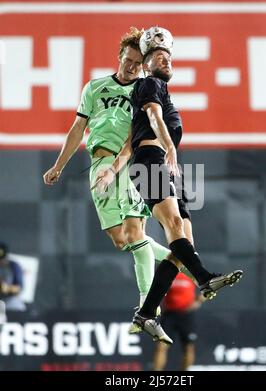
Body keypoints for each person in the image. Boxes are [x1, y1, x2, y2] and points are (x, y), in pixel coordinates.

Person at [96, 27, 243, 344]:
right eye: (157, 56)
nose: (164, 60)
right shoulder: (149, 85)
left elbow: (127, 143)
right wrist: (170, 147)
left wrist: (115, 169)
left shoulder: (160, 88)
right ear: (147, 65)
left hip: (163, 163)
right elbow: (152, 117)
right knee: (174, 226)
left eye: (167, 56)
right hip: (153, 159)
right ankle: (204, 278)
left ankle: (146, 313)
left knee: (182, 247)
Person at [43, 27, 177, 322]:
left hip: (128, 163)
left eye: (137, 63)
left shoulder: (144, 89)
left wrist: (122, 164)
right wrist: (59, 165)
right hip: (98, 163)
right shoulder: (95, 87)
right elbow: (78, 128)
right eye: (127, 60)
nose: (131, 67)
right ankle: (178, 258)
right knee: (121, 240)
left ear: (144, 65)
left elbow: (142, 130)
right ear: (119, 57)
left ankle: (149, 303)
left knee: (134, 233)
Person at [152, 272, 206, 371]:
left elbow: (210, 286)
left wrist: (199, 301)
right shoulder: (168, 271)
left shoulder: (192, 272)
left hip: (186, 314)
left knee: (188, 347)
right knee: (161, 346)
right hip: (169, 315)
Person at [0, 242, 26, 311]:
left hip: (11, 305)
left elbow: (19, 288)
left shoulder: (13, 266)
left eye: (2, 259)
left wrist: (6, 288)